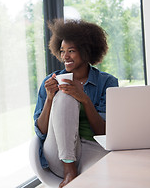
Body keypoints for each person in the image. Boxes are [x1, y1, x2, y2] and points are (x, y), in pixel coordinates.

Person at [33, 19, 118, 187]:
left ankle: (74, 174)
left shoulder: (107, 82)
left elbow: (104, 132)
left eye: (71, 51)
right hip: (57, 153)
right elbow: (41, 132)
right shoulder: (51, 81)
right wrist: (50, 98)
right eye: (62, 51)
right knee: (65, 96)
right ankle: (69, 170)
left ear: (86, 52)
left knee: (100, 180)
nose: (65, 56)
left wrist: (84, 99)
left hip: (91, 148)